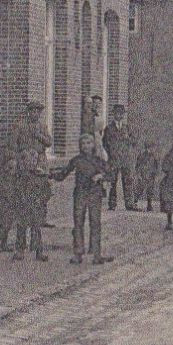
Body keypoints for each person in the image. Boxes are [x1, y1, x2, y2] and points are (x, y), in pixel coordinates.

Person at [55, 133, 112, 264]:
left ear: (93, 145)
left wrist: (101, 176)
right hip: (80, 194)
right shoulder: (76, 160)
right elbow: (62, 174)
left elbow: (110, 173)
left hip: (94, 194)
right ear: (80, 146)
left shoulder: (98, 161)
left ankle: (97, 254)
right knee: (78, 223)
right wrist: (48, 175)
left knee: (95, 223)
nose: (86, 146)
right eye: (83, 144)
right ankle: (78, 253)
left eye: (88, 143)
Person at [104, 104, 138, 210]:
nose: (119, 115)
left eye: (121, 113)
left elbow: (134, 142)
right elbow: (105, 143)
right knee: (113, 181)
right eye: (117, 113)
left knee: (128, 181)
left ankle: (129, 204)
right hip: (114, 159)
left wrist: (128, 143)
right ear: (113, 114)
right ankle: (112, 204)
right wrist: (110, 154)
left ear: (123, 115)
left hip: (126, 159)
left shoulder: (127, 128)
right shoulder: (109, 128)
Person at [134, 142, 160, 212]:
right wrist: (138, 175)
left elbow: (156, 166)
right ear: (149, 147)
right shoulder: (142, 155)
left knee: (150, 191)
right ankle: (135, 203)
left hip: (151, 176)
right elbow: (138, 166)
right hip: (143, 175)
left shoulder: (154, 156)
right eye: (153, 147)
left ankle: (149, 206)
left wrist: (156, 175)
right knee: (140, 190)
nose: (154, 149)